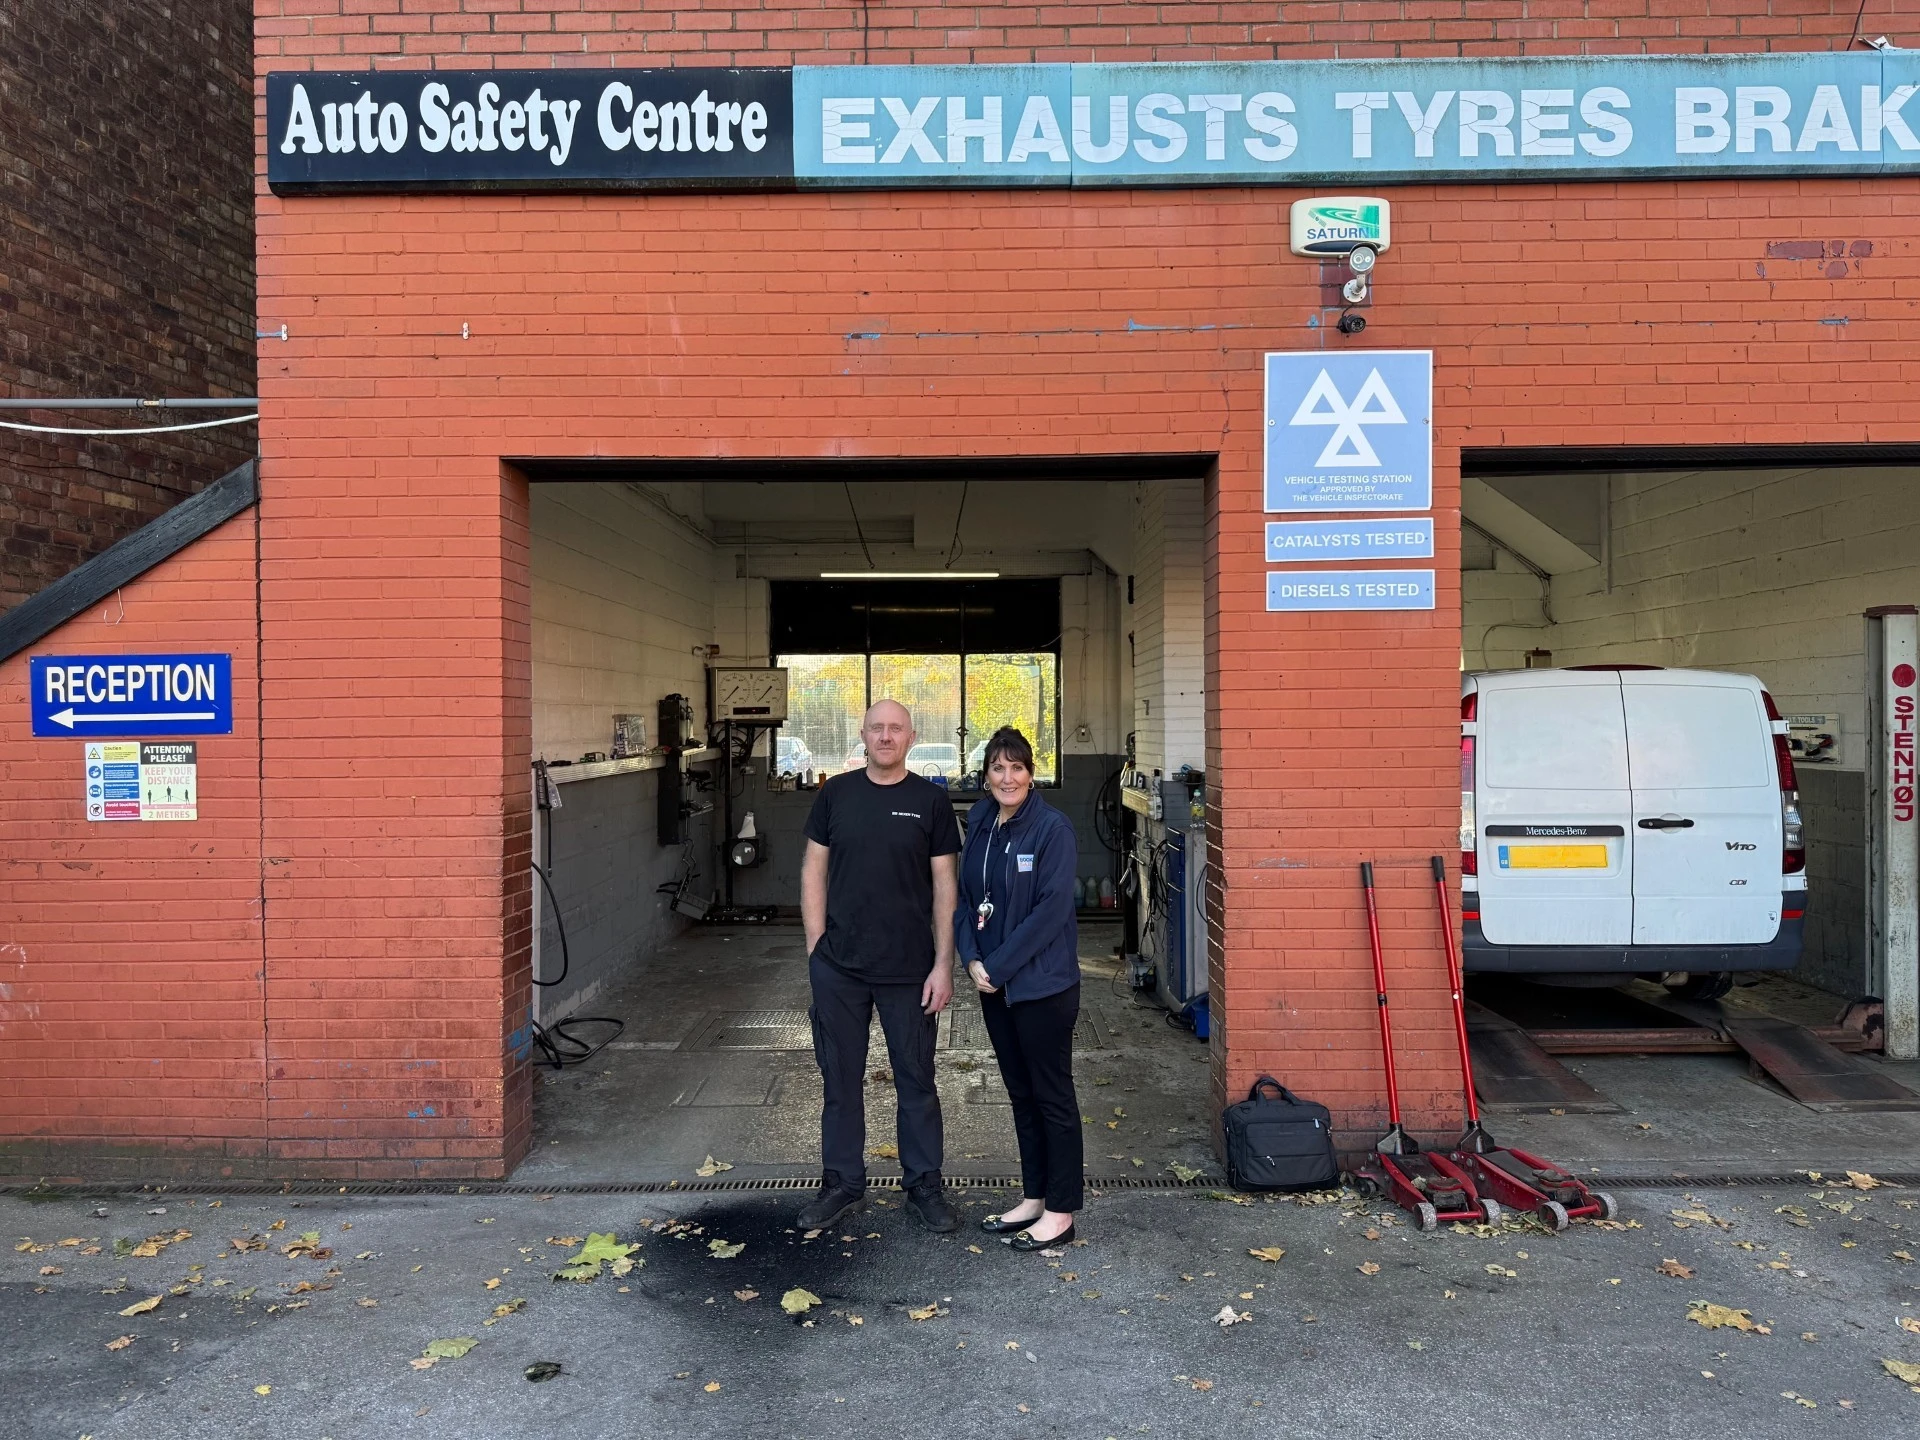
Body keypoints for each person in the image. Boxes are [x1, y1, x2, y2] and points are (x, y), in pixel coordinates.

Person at [799, 699, 962, 1233]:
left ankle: (924, 1185)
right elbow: (813, 871)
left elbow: (945, 887)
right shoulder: (836, 795)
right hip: (840, 969)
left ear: (911, 737)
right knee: (840, 1081)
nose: (886, 737)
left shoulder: (930, 801)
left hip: (910, 970)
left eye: (895, 729)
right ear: (862, 736)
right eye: (877, 729)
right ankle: (842, 1183)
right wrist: (817, 950)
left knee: (917, 1080)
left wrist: (943, 964)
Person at [954, 726, 1083, 1250]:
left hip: (1042, 987)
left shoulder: (1052, 829)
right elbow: (967, 900)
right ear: (986, 776)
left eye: (1018, 767)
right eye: (998, 768)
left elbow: (1050, 911)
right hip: (994, 985)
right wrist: (971, 959)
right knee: (1021, 1094)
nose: (1008, 778)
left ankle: (1061, 1210)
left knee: (1052, 1095)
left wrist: (998, 966)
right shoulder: (982, 823)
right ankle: (1034, 1197)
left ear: (1032, 773)